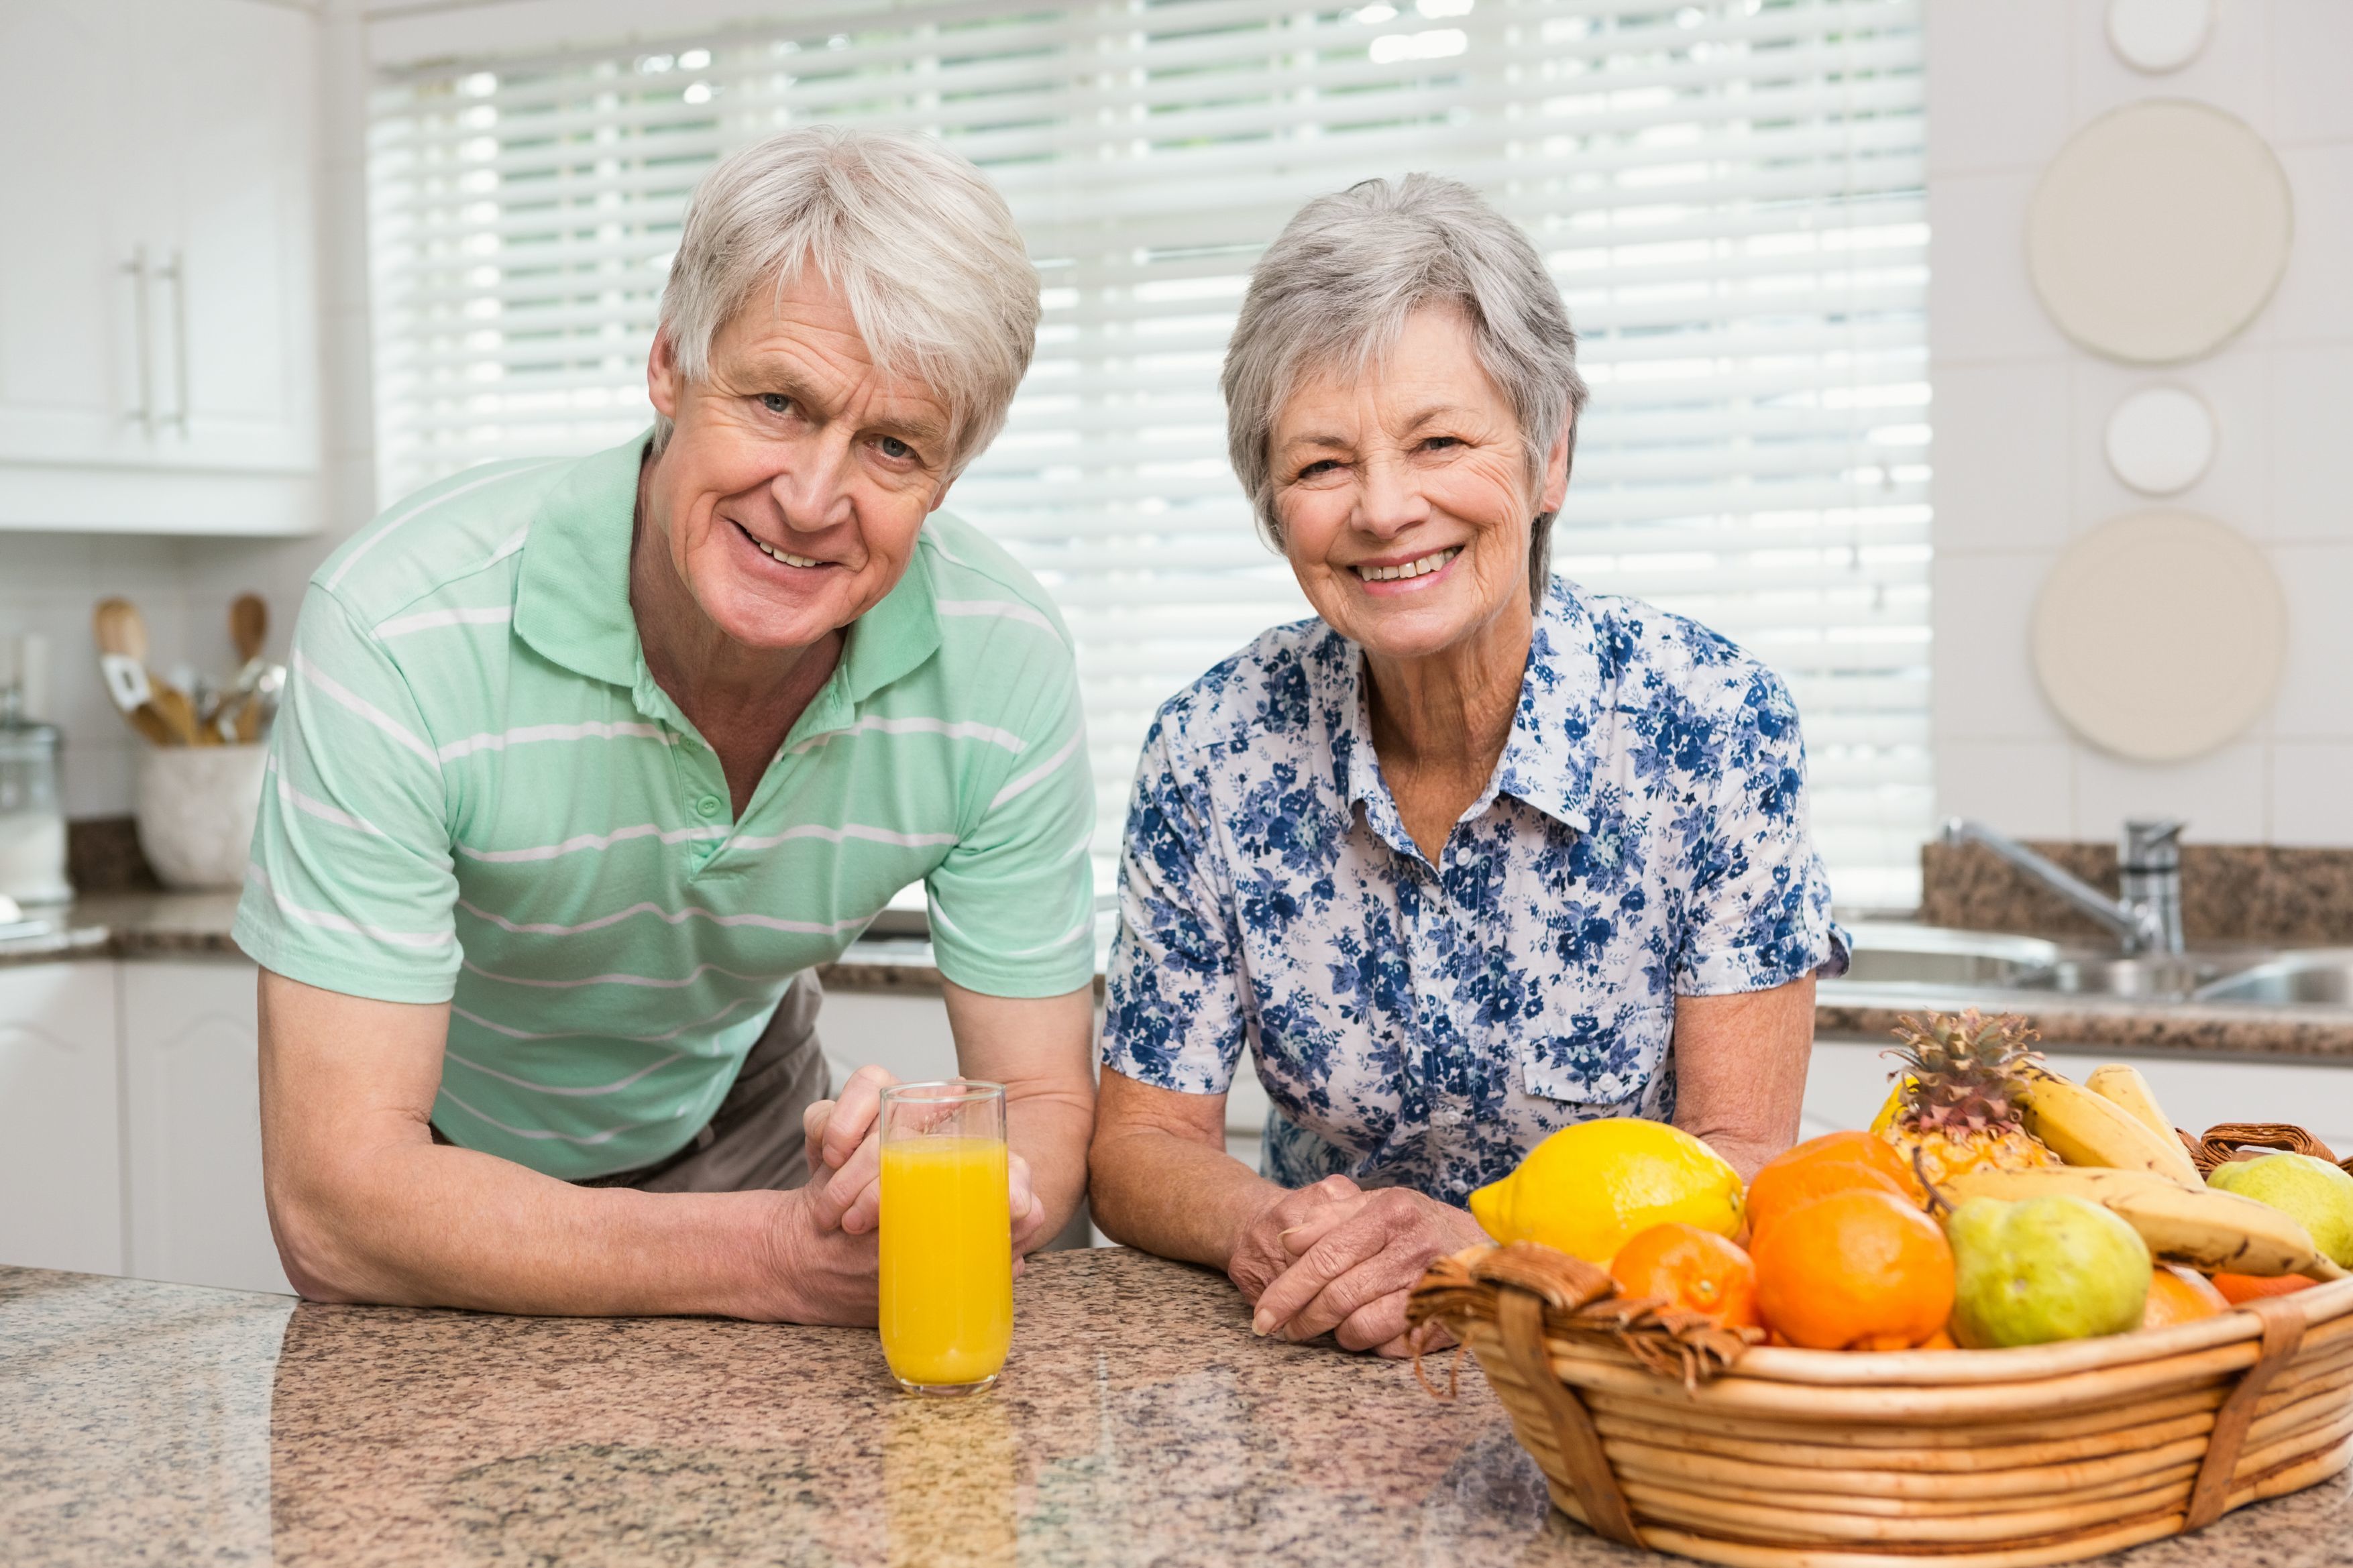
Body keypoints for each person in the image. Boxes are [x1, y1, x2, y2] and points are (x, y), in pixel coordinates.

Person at [238, 128, 1097, 1322]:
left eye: (893, 445)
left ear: (946, 477)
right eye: (778, 402)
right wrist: (779, 1258)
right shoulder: (397, 628)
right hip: (445, 1179)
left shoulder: (1003, 661)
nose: (811, 499)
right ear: (669, 367)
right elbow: (337, 1206)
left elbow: (1044, 1110)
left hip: (743, 1128)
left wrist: (968, 1186)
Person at [1087, 174, 1846, 1357]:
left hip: (1621, 1361)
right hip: (1319, 1353)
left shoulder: (1716, 722)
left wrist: (1479, 1259)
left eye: (1439, 441)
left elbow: (1744, 1165)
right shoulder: (1212, 746)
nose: (1387, 509)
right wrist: (1289, 1232)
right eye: (1323, 464)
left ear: (1550, 460)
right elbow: (1138, 1149)